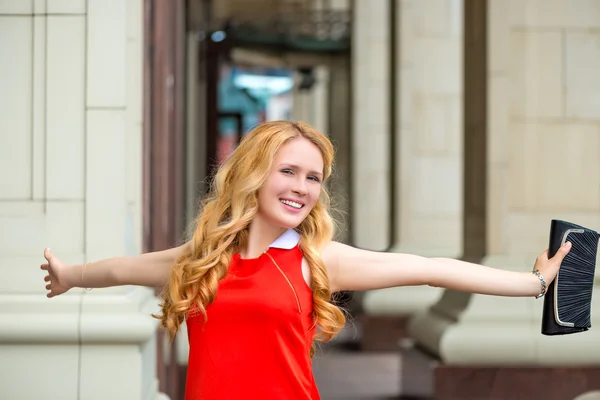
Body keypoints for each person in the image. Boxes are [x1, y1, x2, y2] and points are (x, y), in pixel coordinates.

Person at [40, 120, 571, 400]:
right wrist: (70, 277)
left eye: (313, 177)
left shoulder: (317, 260)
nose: (302, 188)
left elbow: (430, 266)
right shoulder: (200, 259)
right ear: (253, 174)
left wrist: (531, 285)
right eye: (288, 171)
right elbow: (123, 269)